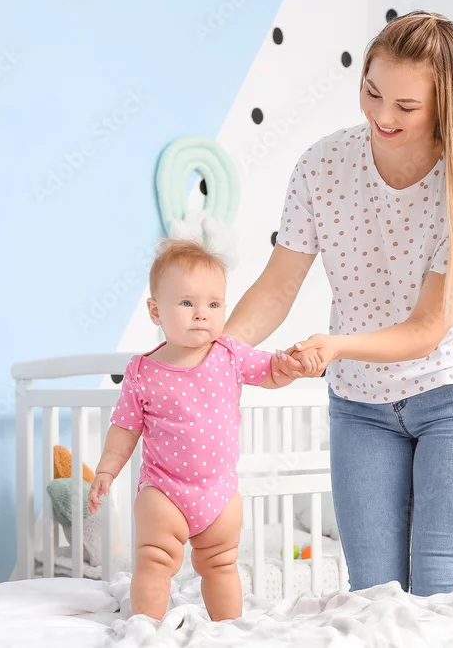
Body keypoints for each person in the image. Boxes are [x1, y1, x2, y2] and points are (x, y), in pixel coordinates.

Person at [223, 11, 453, 597]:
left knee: (438, 585)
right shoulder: (322, 166)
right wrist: (218, 355)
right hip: (361, 405)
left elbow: (427, 328)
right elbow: (278, 285)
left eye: (406, 106)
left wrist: (333, 346)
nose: (382, 115)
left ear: (444, 107)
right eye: (372, 92)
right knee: (372, 594)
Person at [87, 239, 299, 621]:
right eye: (187, 303)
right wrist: (106, 470)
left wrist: (289, 367)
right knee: (154, 560)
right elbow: (124, 428)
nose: (202, 314)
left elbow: (270, 372)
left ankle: (228, 630)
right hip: (163, 490)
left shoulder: (230, 354)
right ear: (156, 311)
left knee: (221, 563)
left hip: (219, 492)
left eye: (214, 304)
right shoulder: (142, 371)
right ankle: (146, 629)